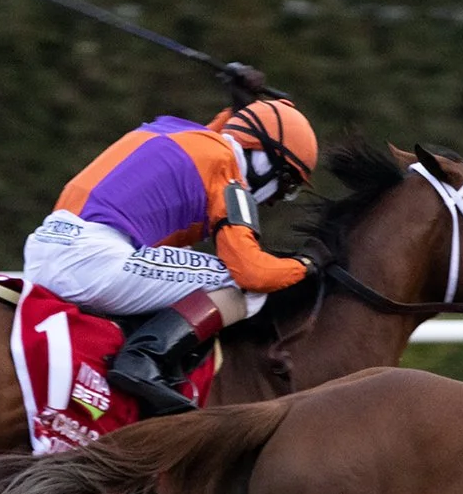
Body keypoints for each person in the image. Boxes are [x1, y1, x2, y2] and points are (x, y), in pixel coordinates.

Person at [22, 90, 321, 416]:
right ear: (264, 161)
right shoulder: (227, 172)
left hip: (44, 248)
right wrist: (305, 264)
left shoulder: (174, 129)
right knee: (242, 287)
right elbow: (251, 272)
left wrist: (242, 105)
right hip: (92, 261)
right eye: (287, 185)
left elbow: (222, 130)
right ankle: (144, 358)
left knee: (186, 258)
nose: (276, 200)